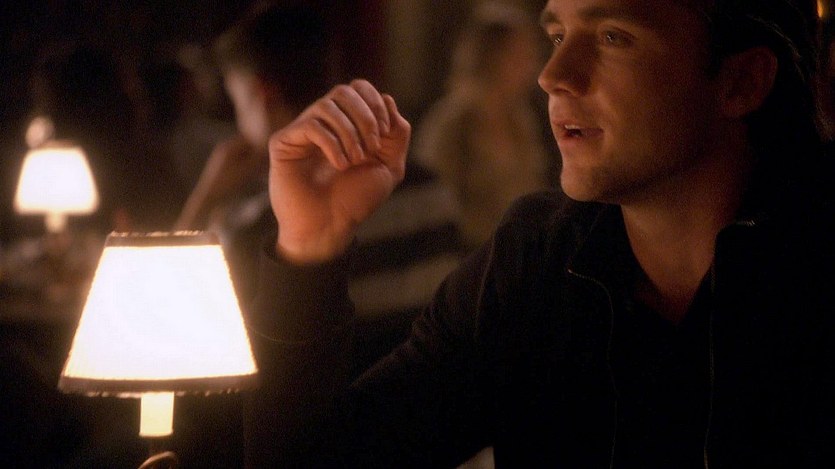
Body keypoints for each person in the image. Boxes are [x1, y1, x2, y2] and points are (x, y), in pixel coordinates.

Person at [246, 0, 835, 467]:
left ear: (740, 82)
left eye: (614, 37)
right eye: (557, 36)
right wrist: (309, 245)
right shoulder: (534, 263)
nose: (553, 76)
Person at [415, 2, 554, 252]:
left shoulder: (521, 117)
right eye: (519, 54)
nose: (532, 65)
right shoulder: (453, 122)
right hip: (470, 255)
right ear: (492, 56)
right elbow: (431, 203)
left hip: (520, 252)